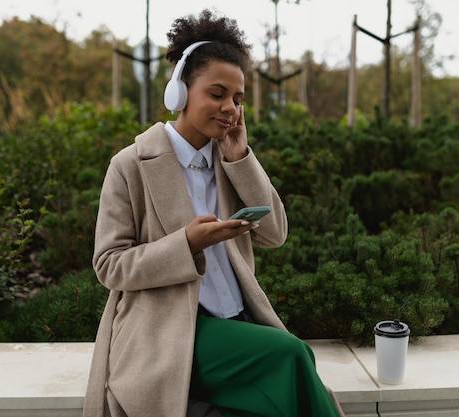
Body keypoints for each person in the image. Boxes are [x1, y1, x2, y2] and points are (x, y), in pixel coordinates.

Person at [83, 8, 344, 417]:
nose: (230, 108)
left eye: (238, 99)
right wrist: (185, 244)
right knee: (292, 355)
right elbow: (109, 265)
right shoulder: (130, 164)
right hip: (168, 332)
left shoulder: (230, 161)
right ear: (181, 93)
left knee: (297, 362)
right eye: (218, 94)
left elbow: (275, 234)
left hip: (237, 322)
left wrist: (241, 158)